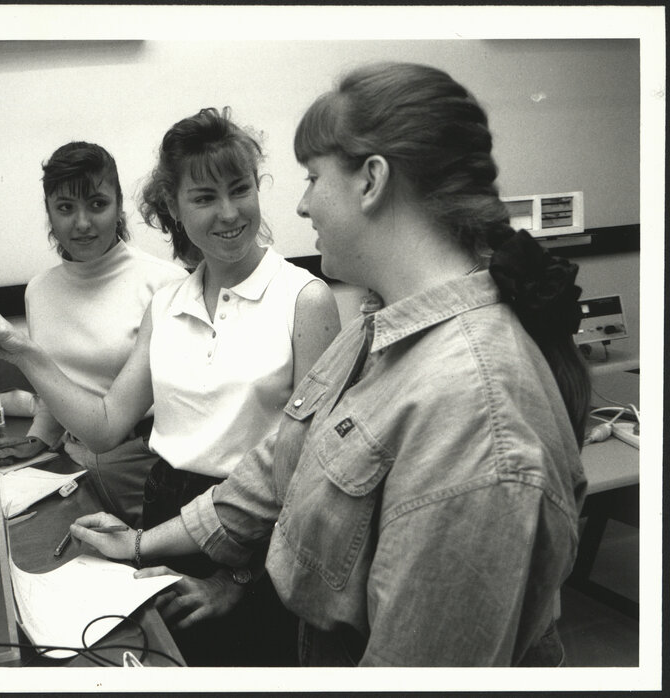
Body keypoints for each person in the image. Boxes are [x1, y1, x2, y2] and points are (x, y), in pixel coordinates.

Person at [68, 62, 591, 667]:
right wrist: (135, 543)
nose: (301, 205)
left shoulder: (476, 412)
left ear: (371, 181)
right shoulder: (374, 331)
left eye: (314, 178)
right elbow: (271, 474)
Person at [0, 107, 342, 665]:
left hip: (256, 537)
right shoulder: (166, 306)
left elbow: (311, 475)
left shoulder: (304, 300)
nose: (229, 213)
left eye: (240, 189)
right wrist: (24, 353)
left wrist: (237, 579)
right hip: (166, 512)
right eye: (204, 198)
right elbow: (103, 427)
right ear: (172, 207)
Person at [0, 141, 186, 527]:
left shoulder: (165, 283)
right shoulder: (39, 290)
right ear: (49, 212)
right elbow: (56, 384)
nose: (82, 223)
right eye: (65, 208)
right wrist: (37, 440)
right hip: (73, 469)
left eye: (97, 204)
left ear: (118, 206)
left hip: (149, 469)